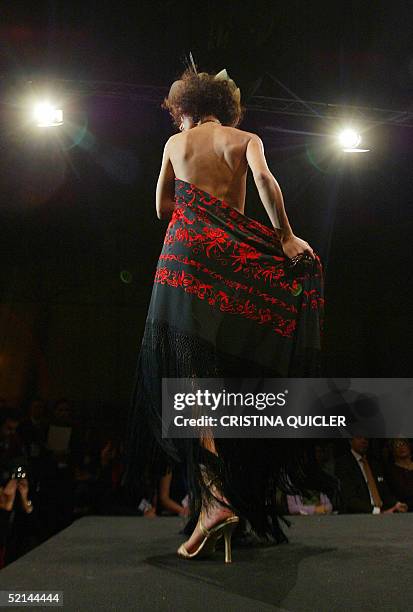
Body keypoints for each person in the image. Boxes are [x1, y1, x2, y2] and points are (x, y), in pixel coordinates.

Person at [123, 64, 336, 563]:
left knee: (191, 375)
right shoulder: (245, 139)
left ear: (188, 109)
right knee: (225, 372)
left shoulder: (176, 145)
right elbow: (265, 180)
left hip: (183, 257)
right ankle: (218, 500)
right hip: (231, 263)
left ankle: (215, 501)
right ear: (226, 108)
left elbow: (162, 208)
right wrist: (283, 238)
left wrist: (192, 204)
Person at [335, 437, 408, 514]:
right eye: (359, 437)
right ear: (350, 440)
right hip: (359, 516)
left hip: (383, 512)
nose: (364, 441)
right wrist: (378, 512)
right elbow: (350, 499)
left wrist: (396, 504)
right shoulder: (343, 463)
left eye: (366, 438)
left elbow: (384, 491)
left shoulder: (374, 463)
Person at [385, 438, 413, 511]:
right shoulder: (389, 471)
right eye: (397, 445)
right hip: (403, 510)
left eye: (403, 443)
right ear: (393, 450)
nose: (401, 447)